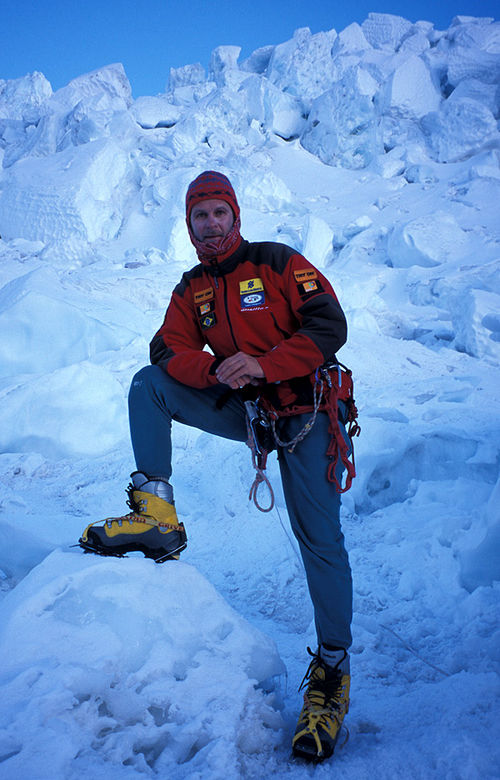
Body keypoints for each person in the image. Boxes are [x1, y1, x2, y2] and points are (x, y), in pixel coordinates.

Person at [79, 170, 355, 762]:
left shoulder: (277, 262)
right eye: (198, 215)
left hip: (307, 408)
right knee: (149, 385)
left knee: (319, 539)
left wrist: (264, 364)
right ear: (189, 224)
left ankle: (331, 672)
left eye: (218, 213)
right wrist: (216, 373)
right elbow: (166, 348)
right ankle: (156, 514)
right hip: (249, 409)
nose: (209, 225)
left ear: (235, 216)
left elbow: (330, 325)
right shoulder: (193, 288)